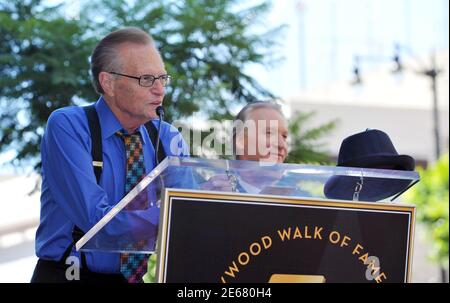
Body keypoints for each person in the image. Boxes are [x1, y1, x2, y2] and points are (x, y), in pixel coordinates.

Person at [31, 27, 189, 283]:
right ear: (109, 82)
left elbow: (190, 222)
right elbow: (97, 223)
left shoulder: (169, 138)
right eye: (147, 79)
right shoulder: (69, 126)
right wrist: (172, 215)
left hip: (141, 278)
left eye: (162, 78)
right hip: (70, 275)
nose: (160, 90)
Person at [202, 101, 289, 193]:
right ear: (241, 141)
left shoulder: (299, 199)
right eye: (269, 133)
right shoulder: (215, 194)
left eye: (284, 137)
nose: (282, 145)